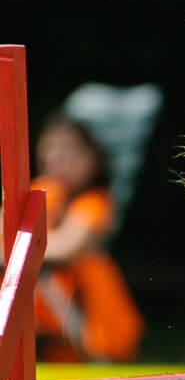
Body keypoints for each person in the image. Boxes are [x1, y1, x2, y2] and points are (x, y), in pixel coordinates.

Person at [30, 113, 143, 363]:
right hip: (38, 310)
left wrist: (16, 247)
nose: (56, 158)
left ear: (94, 159)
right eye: (50, 148)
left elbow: (66, 247)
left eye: (69, 151)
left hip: (74, 316)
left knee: (46, 269)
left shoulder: (95, 202)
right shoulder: (39, 191)